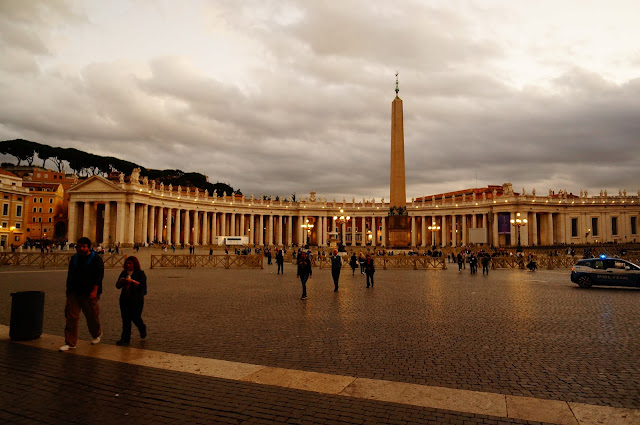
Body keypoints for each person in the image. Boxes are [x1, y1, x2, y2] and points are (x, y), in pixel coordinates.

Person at [59, 237, 104, 352]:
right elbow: (70, 275)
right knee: (71, 317)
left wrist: (94, 291)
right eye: (79, 246)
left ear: (89, 247)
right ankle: (70, 342)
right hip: (74, 292)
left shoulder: (96, 259)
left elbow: (99, 277)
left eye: (84, 247)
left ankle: (96, 334)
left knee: (92, 316)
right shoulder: (74, 259)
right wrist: (68, 291)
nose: (81, 248)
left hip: (89, 293)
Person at [115, 256, 147, 346]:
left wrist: (132, 281)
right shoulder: (123, 273)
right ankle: (125, 339)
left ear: (135, 264)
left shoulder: (140, 273)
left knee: (135, 317)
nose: (128, 265)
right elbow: (117, 286)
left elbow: (142, 285)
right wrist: (121, 282)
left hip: (137, 299)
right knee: (125, 320)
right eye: (127, 264)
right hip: (125, 299)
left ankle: (142, 328)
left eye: (130, 263)